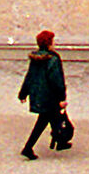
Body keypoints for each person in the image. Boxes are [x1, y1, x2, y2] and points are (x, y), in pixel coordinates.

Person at [18, 28, 69, 157]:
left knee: (51, 119)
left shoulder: (36, 59)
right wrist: (62, 98)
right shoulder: (53, 59)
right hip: (50, 97)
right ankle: (28, 148)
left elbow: (29, 76)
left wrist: (23, 93)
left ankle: (60, 141)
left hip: (39, 96)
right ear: (49, 43)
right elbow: (57, 81)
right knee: (44, 121)